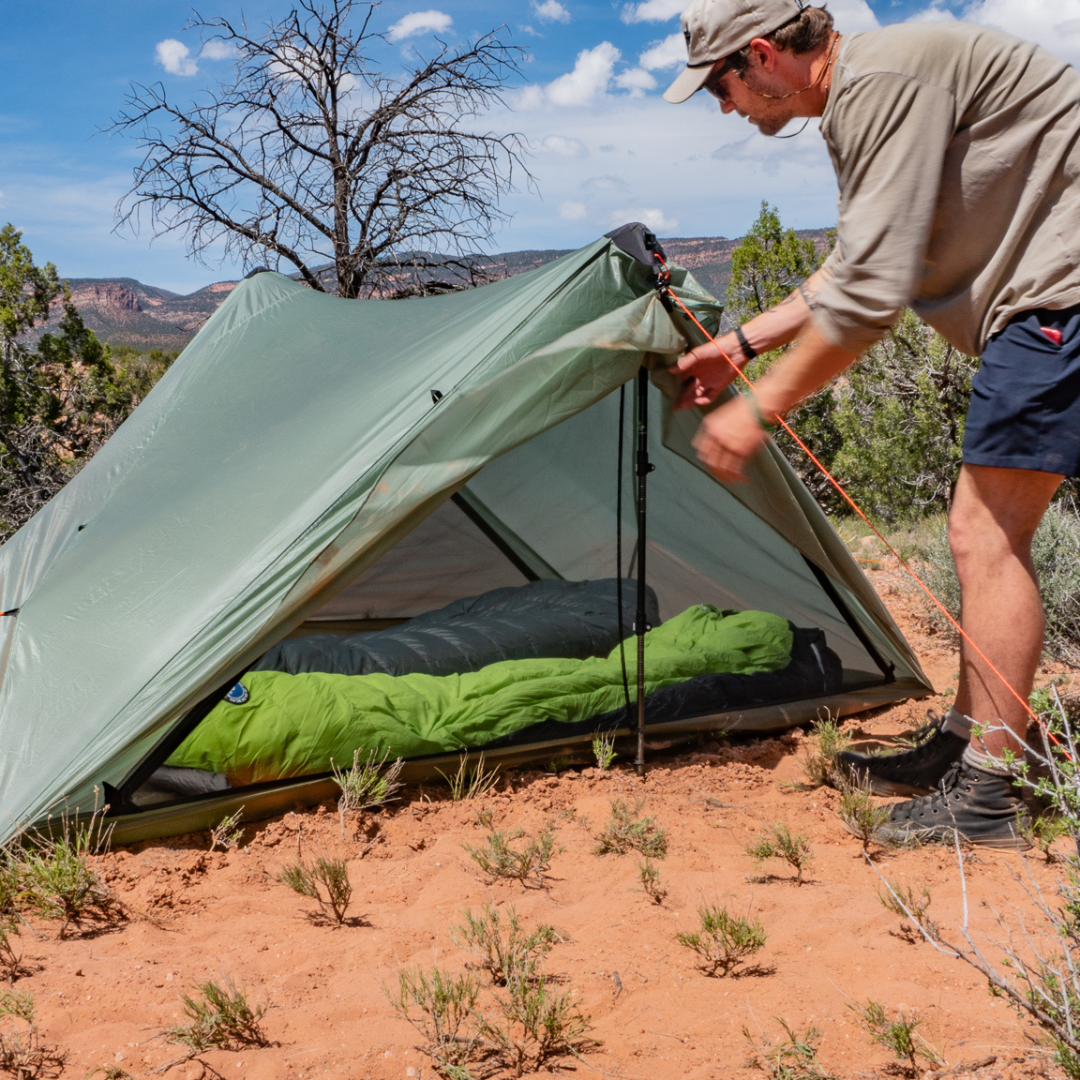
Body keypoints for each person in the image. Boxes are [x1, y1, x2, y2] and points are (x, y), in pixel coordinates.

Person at [664, 0, 1080, 847]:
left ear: (762, 54)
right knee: (986, 530)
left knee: (982, 533)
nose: (723, 107)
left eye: (720, 85)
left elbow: (865, 303)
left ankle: (989, 798)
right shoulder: (868, 89)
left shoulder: (881, 80)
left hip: (1059, 298)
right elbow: (854, 263)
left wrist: (758, 411)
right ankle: (970, 744)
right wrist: (741, 343)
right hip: (1047, 299)